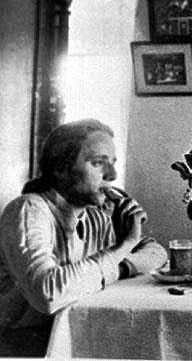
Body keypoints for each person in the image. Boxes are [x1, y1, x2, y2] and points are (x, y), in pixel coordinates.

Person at [0, 119, 167, 357]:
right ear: (60, 169)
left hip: (73, 335)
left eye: (112, 163)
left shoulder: (94, 216)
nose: (112, 174)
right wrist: (125, 246)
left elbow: (156, 252)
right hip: (21, 346)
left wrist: (122, 264)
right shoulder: (28, 210)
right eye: (98, 163)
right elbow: (48, 294)